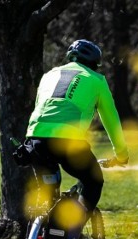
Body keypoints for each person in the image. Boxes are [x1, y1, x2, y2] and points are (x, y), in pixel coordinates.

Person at [24, 39, 128, 220]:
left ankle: (40, 235)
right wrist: (121, 154)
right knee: (93, 181)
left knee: (48, 192)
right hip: (69, 143)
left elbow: (41, 107)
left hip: (35, 140)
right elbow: (111, 120)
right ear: (95, 64)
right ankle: (70, 228)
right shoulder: (96, 80)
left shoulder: (49, 75)